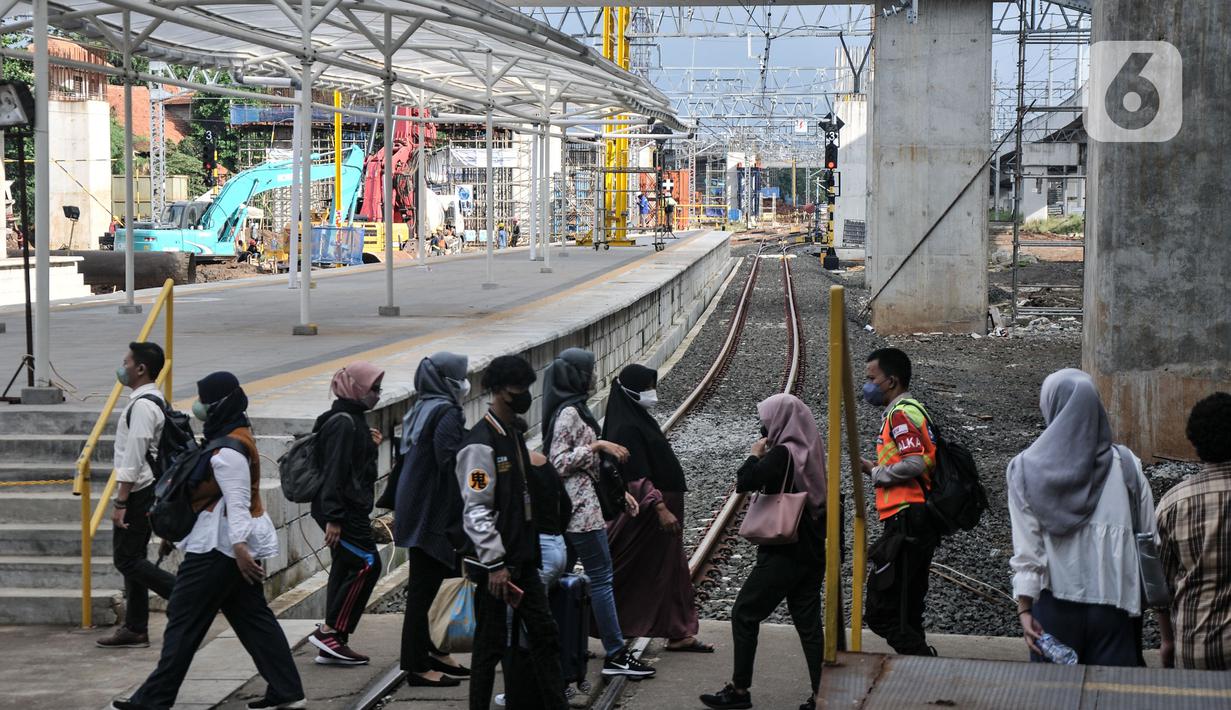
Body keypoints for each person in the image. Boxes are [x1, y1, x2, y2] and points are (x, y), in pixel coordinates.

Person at [112, 372, 304, 710]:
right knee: (254, 621)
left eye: (203, 399)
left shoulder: (229, 450)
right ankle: (287, 691)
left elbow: (239, 502)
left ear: (219, 403)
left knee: (183, 623)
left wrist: (241, 549)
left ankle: (153, 700)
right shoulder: (233, 435)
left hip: (218, 551)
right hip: (222, 547)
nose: (198, 406)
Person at [1007, 368, 1157, 667]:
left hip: (1053, 607)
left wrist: (1025, 609)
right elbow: (1150, 542)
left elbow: (1028, 551)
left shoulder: (1025, 469)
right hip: (1117, 608)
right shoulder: (1128, 465)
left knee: (1055, 697)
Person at [700, 394, 826, 710]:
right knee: (809, 625)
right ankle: (823, 693)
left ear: (780, 422)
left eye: (767, 419)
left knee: (744, 612)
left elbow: (744, 482)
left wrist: (755, 455)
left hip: (785, 549)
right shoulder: (808, 450)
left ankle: (740, 691)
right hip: (811, 550)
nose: (764, 425)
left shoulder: (782, 453)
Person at [456, 355, 567, 710]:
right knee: (489, 648)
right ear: (500, 390)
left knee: (545, 636)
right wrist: (495, 563)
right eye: (520, 389)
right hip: (498, 567)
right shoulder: (479, 445)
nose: (525, 395)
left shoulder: (513, 435)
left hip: (524, 559)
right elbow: (476, 509)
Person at [542, 348, 655, 678]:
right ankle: (617, 653)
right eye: (589, 371)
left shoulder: (574, 409)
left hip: (579, 508)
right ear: (575, 375)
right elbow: (557, 462)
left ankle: (553, 643)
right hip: (579, 513)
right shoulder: (568, 414)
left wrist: (619, 495)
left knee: (558, 577)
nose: (594, 377)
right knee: (602, 579)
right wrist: (596, 446)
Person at [603, 364, 711, 652]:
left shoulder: (635, 417)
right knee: (631, 569)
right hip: (651, 513)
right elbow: (635, 475)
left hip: (659, 511)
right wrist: (660, 507)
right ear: (630, 390)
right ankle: (592, 624)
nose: (652, 393)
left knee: (667, 570)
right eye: (647, 386)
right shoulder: (626, 426)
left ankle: (677, 630)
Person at [395, 353, 472, 687]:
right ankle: (415, 666)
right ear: (448, 379)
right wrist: (482, 485)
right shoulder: (447, 411)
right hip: (432, 513)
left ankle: (434, 651)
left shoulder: (422, 406)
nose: (466, 382)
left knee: (434, 583)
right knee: (424, 591)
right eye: (461, 376)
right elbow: (452, 460)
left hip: (416, 509)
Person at [858, 347, 939, 657]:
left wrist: (876, 472)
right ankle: (918, 672)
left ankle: (922, 663)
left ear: (890, 381)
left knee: (883, 611)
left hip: (907, 517)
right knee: (907, 607)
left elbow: (915, 462)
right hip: (912, 517)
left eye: (871, 378)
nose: (867, 384)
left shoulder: (901, 413)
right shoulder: (912, 410)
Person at [97, 342, 177, 649]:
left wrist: (121, 500)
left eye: (126, 362)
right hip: (145, 490)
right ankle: (135, 627)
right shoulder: (152, 400)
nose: (122, 367)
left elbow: (134, 455)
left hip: (139, 492)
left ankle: (185, 596)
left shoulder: (143, 406)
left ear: (141, 368)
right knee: (134, 557)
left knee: (126, 559)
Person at [307, 362, 387, 666]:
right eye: (373, 388)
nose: (377, 395)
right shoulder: (343, 422)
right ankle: (330, 631)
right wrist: (334, 517)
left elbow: (355, 470)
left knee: (344, 567)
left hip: (348, 509)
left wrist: (370, 447)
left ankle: (333, 643)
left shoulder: (352, 419)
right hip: (343, 511)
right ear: (355, 387)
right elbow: (335, 472)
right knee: (367, 563)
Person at [1156, 392, 1231, 670]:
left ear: (1194, 441)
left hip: (1195, 646)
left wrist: (1167, 640)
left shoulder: (1173, 503)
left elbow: (1159, 587)